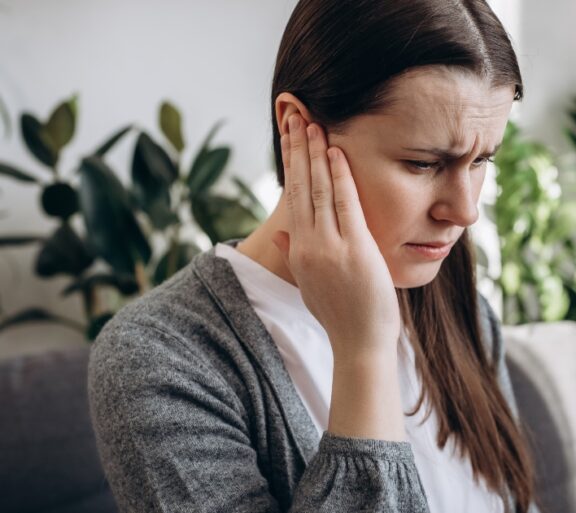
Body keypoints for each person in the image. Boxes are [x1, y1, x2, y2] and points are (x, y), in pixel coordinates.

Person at [88, 0, 540, 512]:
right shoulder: (161, 358)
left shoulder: (461, 307)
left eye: (482, 159)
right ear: (297, 128)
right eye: (423, 163)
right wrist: (363, 355)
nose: (465, 210)